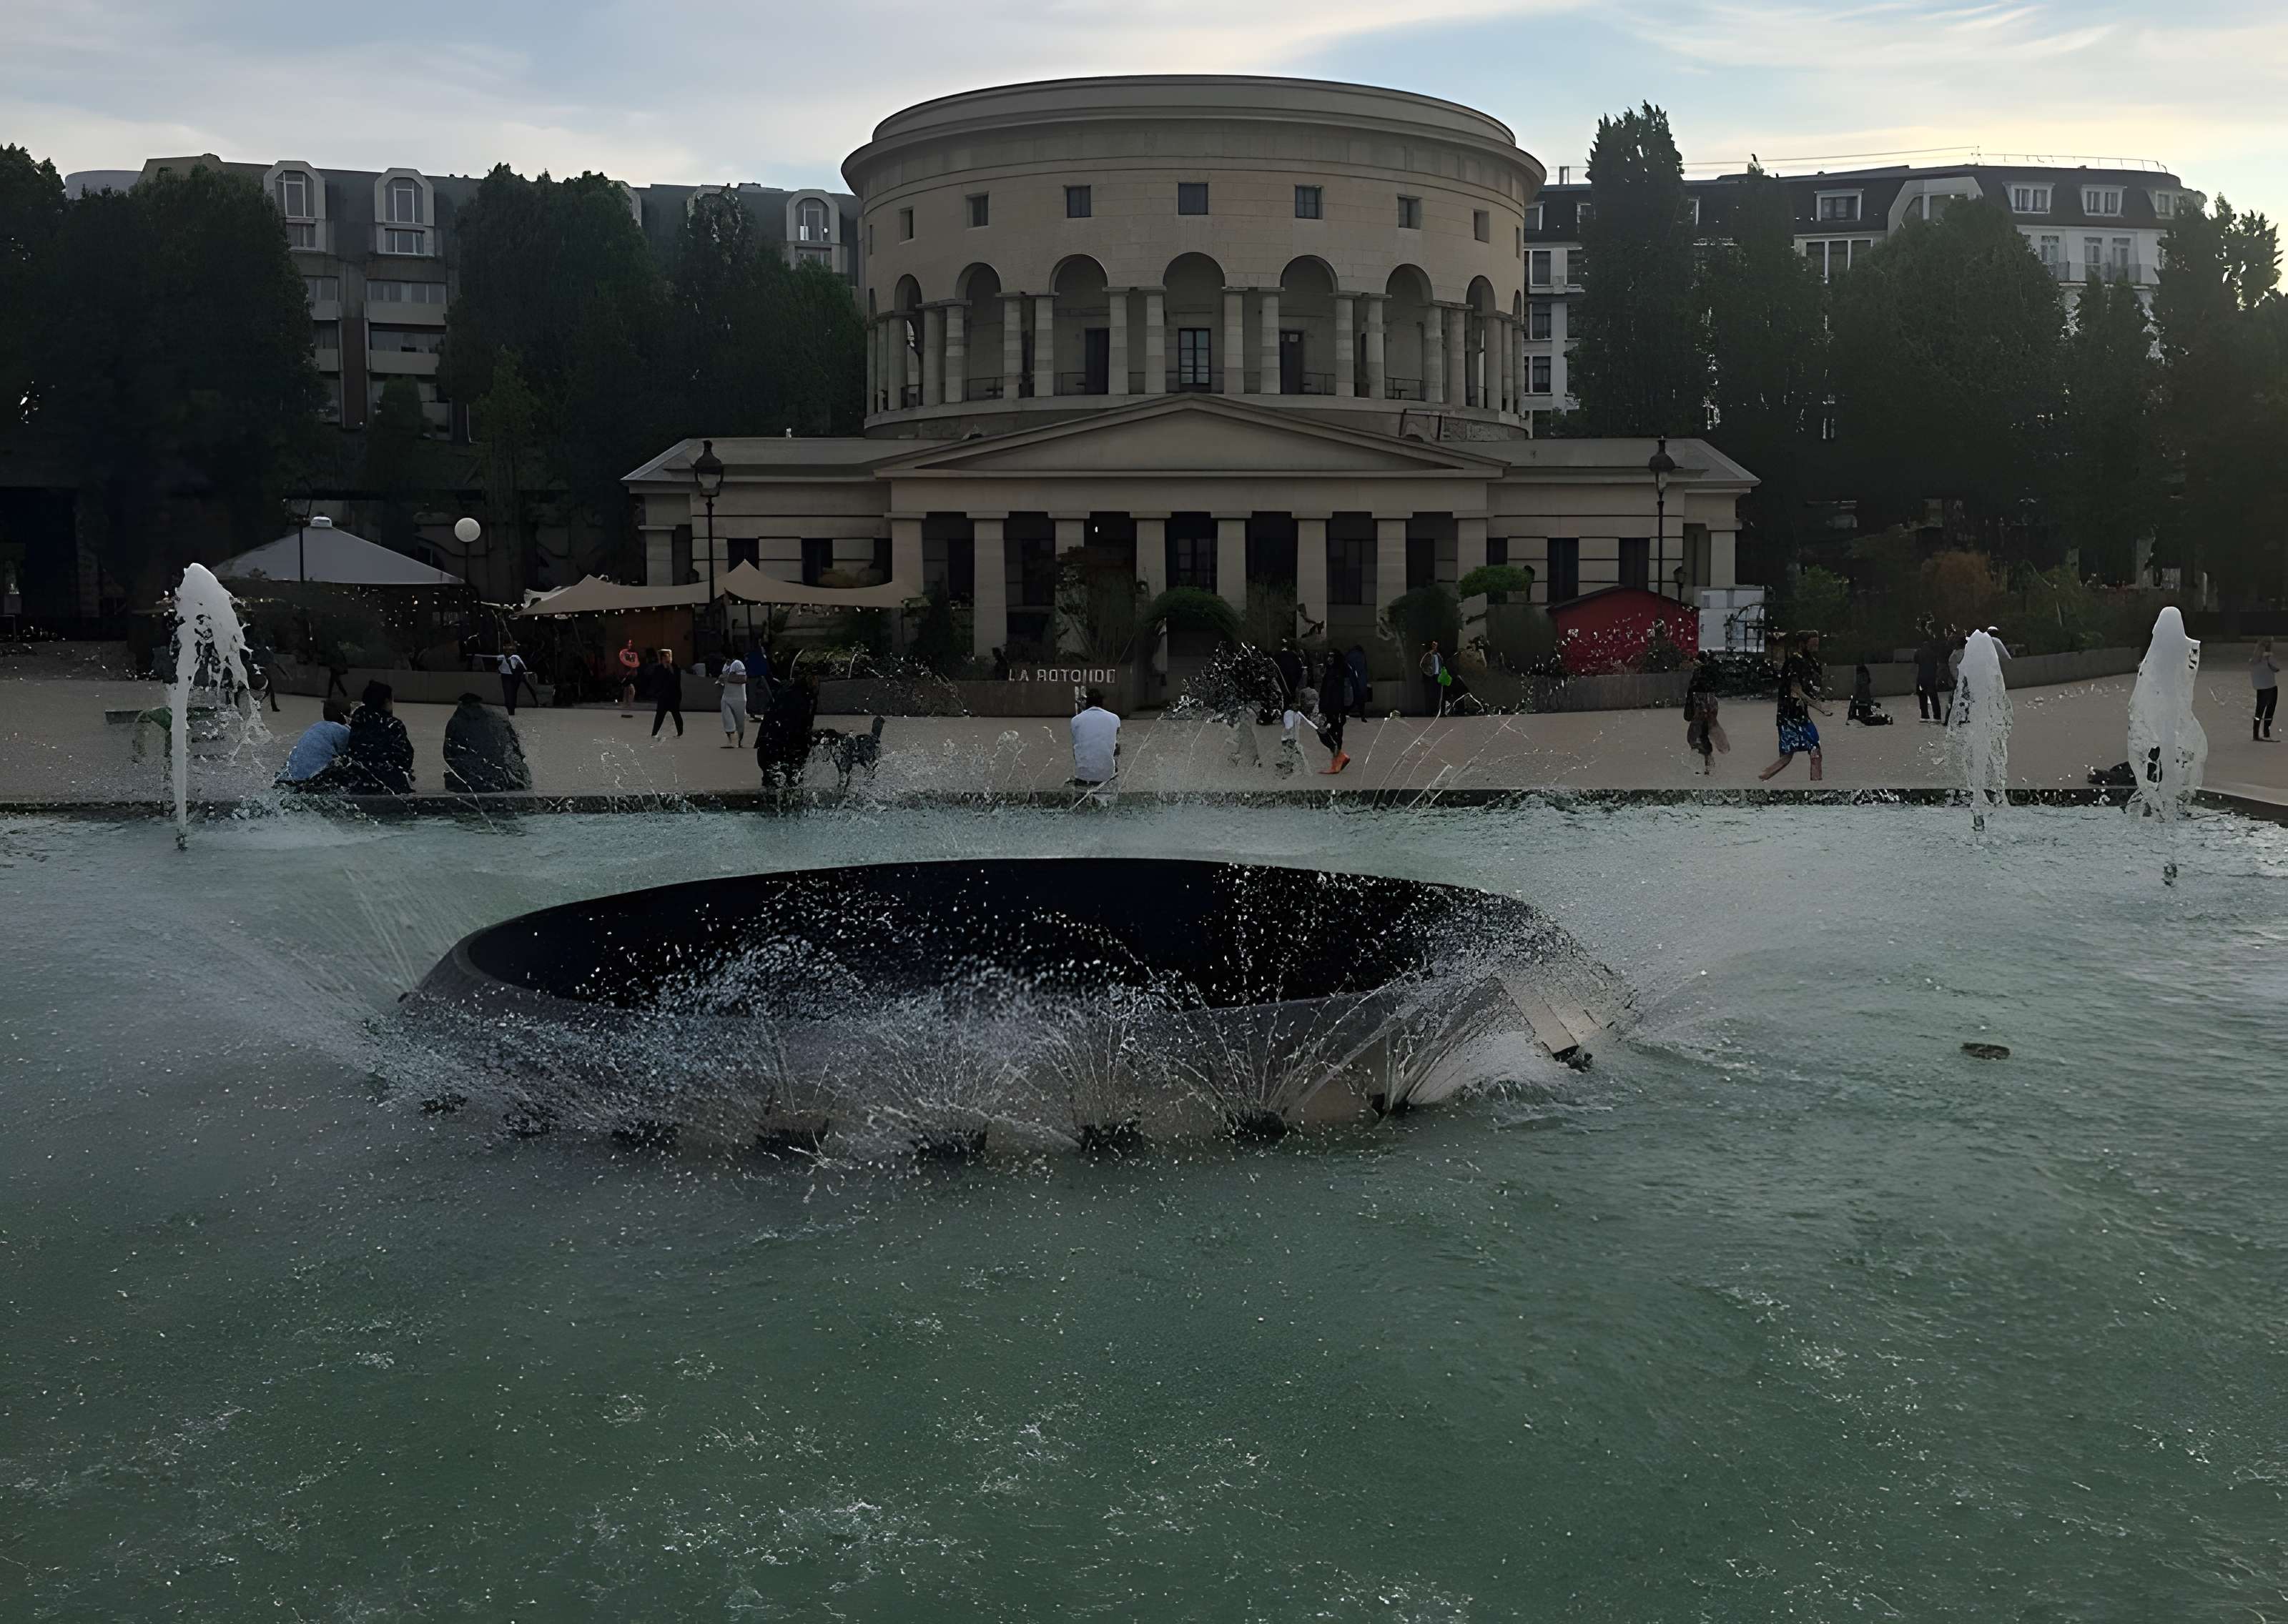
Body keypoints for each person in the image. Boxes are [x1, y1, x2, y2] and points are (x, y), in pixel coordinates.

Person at [1757, 636, 1829, 781]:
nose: (1816, 649)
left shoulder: (1803, 663)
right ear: (1802, 644)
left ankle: (1762, 777)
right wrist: (1818, 706)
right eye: (1813, 645)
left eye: (1817, 645)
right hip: (1791, 715)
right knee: (1808, 750)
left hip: (1791, 714)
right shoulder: (1796, 663)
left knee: (1791, 754)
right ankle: (1816, 786)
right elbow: (1795, 689)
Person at [443, 693, 531, 792]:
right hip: (490, 773)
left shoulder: (458, 722)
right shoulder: (494, 718)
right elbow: (514, 746)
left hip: (481, 772)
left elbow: (449, 753)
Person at [337, 680, 415, 793]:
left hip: (357, 778)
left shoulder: (357, 720)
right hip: (387, 782)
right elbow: (405, 757)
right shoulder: (392, 724)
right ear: (386, 701)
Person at [276, 698, 351, 788]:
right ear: (344, 716)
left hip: (288, 777)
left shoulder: (316, 727)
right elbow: (352, 756)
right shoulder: (343, 731)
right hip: (309, 782)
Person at [1683, 655, 1727, 774]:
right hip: (1703, 707)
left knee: (1699, 735)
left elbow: (1693, 691)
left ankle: (1704, 763)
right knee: (1700, 735)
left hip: (1702, 708)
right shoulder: (1704, 676)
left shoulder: (1701, 677)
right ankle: (1705, 762)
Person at [1070, 688, 1120, 786]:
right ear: (1102, 702)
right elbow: (1115, 743)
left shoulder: (1075, 720)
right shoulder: (1115, 718)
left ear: (1086, 703)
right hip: (1107, 775)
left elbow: (1076, 750)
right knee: (1116, 746)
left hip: (1082, 776)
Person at [1315, 648, 1353, 774]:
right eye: (1328, 656)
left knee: (1329, 733)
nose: (1329, 659)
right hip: (1330, 710)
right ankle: (1338, 760)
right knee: (1328, 733)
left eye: (1332, 656)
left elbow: (1337, 694)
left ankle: (1338, 761)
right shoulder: (1331, 672)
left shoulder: (1339, 674)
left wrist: (1340, 711)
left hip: (1335, 710)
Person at [642, 649, 684, 739]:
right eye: (664, 657)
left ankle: (680, 732)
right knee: (659, 716)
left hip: (673, 696)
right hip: (663, 696)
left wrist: (669, 667)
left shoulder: (675, 667)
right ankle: (654, 733)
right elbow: (657, 680)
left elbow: (676, 680)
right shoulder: (659, 668)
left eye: (667, 657)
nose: (666, 659)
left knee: (676, 715)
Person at [717, 655, 749, 748]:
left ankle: (739, 742)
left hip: (739, 698)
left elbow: (743, 679)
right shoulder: (726, 665)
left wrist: (726, 678)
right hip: (727, 697)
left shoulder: (738, 664)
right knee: (727, 719)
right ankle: (731, 741)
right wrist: (721, 680)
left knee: (740, 723)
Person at [1913, 628, 1944, 723]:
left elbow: (1916, 661)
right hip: (1931, 676)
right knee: (1933, 696)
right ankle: (1937, 716)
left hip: (1922, 676)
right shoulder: (1933, 651)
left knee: (1922, 695)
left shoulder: (1919, 651)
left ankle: (1924, 715)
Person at [2255, 639, 2279, 742]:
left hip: (2267, 686)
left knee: (2265, 711)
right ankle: (2262, 734)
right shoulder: (2260, 659)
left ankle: (2261, 734)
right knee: (2263, 711)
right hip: (2266, 686)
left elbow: (2276, 669)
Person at [496, 644, 531, 715]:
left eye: (510, 650)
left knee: (511, 693)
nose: (508, 652)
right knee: (510, 693)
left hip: (513, 676)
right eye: (507, 650)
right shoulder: (502, 658)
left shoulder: (514, 657)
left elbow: (522, 667)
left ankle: (511, 710)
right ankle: (511, 710)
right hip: (508, 676)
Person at [616, 638, 641, 716]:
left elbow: (633, 665)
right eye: (628, 643)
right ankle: (626, 709)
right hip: (627, 676)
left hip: (630, 675)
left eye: (631, 643)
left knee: (629, 691)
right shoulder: (624, 653)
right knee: (628, 691)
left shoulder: (632, 654)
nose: (630, 645)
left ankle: (626, 708)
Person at [1346, 645, 1372, 721]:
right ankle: (1361, 713)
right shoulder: (1361, 656)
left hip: (1353, 679)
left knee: (1352, 696)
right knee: (1361, 697)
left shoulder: (1350, 655)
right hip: (1361, 679)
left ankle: (1351, 710)